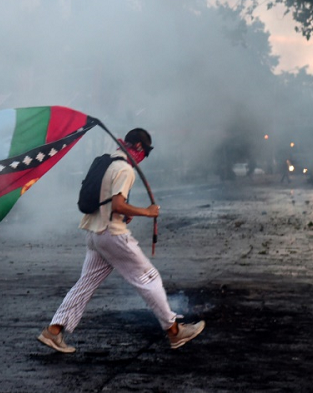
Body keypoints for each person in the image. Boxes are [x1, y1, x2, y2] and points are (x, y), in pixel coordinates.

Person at [38, 128, 205, 353]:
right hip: (111, 235)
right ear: (137, 147)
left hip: (95, 233)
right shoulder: (125, 169)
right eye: (144, 152)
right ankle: (174, 332)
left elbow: (108, 202)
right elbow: (117, 204)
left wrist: (126, 212)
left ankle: (54, 331)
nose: (143, 157)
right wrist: (147, 212)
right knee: (149, 277)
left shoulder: (108, 161)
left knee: (86, 283)